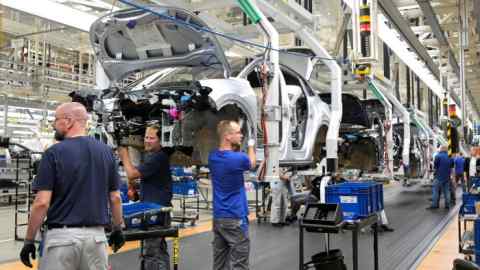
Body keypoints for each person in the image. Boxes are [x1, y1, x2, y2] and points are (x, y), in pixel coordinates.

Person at [19, 102, 125, 270]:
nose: (54, 124)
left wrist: (29, 240)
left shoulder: (53, 153)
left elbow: (41, 203)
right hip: (96, 240)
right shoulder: (107, 152)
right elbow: (115, 197)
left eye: (56, 119)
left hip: (61, 241)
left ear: (68, 121)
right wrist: (118, 228)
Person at [118, 124, 172, 270]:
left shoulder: (158, 157)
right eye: (146, 137)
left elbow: (132, 174)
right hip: (153, 210)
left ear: (161, 141)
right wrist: (136, 191)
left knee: (151, 253)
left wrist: (124, 155)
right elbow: (151, 183)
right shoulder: (152, 157)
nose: (147, 140)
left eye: (152, 138)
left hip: (157, 213)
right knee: (157, 251)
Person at [208, 120, 256, 270]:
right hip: (235, 217)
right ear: (227, 136)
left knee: (220, 263)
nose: (241, 135)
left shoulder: (213, 157)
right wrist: (251, 145)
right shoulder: (238, 158)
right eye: (238, 132)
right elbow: (252, 163)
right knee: (239, 264)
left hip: (219, 218)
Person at [427, 145, 454, 210]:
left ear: (441, 149)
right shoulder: (450, 157)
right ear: (446, 150)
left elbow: (435, 166)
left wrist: (434, 173)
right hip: (447, 177)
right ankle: (447, 205)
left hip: (438, 177)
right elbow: (452, 166)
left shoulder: (438, 156)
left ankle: (434, 205)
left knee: (435, 191)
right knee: (447, 191)